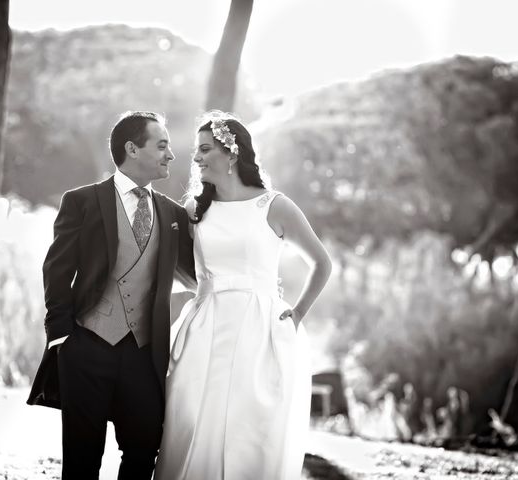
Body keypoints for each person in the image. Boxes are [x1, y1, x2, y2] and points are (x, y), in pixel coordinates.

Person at [155, 111, 332, 479]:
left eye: (205, 149)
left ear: (231, 153)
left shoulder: (274, 206)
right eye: (196, 152)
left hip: (260, 331)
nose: (197, 158)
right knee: (189, 422)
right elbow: (177, 268)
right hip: (204, 328)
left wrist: (297, 314)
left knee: (250, 430)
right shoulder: (194, 211)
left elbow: (321, 263)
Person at [26, 111, 196, 479]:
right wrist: (61, 336)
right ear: (132, 149)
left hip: (144, 354)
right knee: (81, 458)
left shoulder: (174, 214)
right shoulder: (82, 201)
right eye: (162, 145)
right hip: (85, 346)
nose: (171, 155)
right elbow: (56, 269)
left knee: (143, 451)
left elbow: (197, 275)